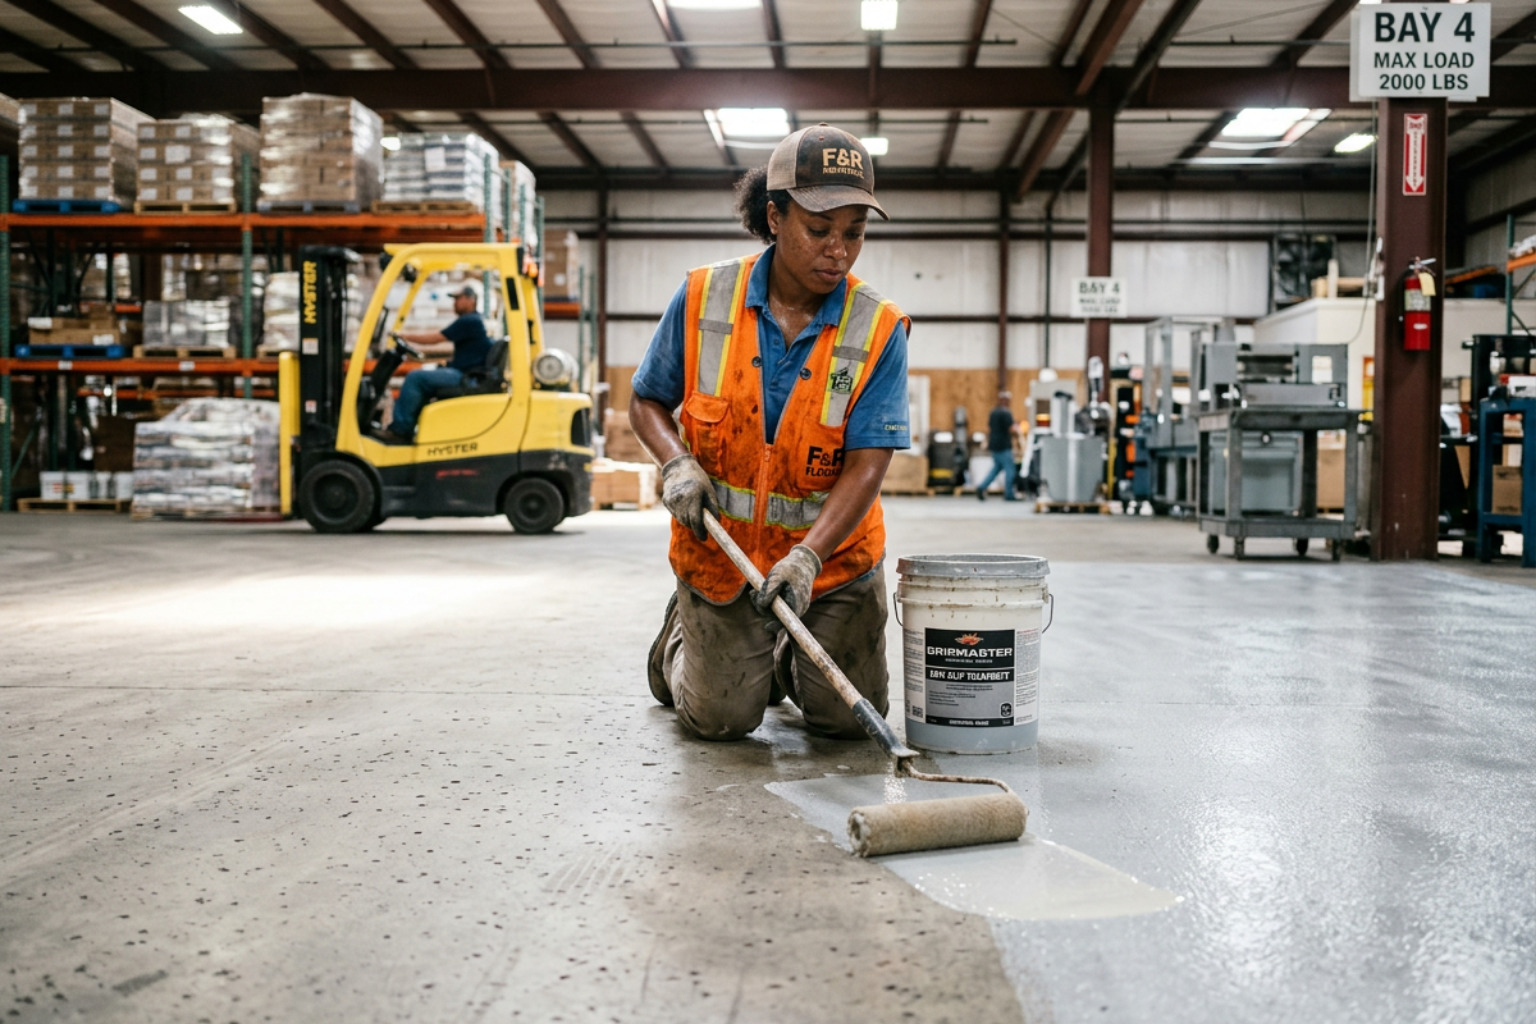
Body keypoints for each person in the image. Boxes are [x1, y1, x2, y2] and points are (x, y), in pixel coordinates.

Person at [630, 124, 912, 742]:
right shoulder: (706, 297)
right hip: (722, 557)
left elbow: (869, 462)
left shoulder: (878, 328)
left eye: (854, 233)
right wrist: (676, 462)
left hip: (832, 564)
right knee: (723, 720)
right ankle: (679, 641)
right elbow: (646, 400)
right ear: (774, 216)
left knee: (846, 721)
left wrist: (808, 558)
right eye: (819, 230)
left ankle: (783, 655)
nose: (838, 251)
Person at [382, 284, 491, 442]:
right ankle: (412, 426)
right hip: (465, 372)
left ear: (471, 300)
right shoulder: (473, 320)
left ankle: (400, 430)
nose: (454, 303)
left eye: (458, 299)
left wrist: (404, 336)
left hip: (464, 376)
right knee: (423, 374)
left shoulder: (469, 321)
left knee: (415, 378)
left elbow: (435, 338)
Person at [975, 390, 1019, 501]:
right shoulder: (1006, 413)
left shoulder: (993, 412)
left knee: (996, 469)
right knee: (1010, 470)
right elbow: (1011, 429)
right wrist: (1018, 428)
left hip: (994, 445)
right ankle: (1009, 495)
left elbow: (989, 428)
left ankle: (982, 487)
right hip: (1004, 446)